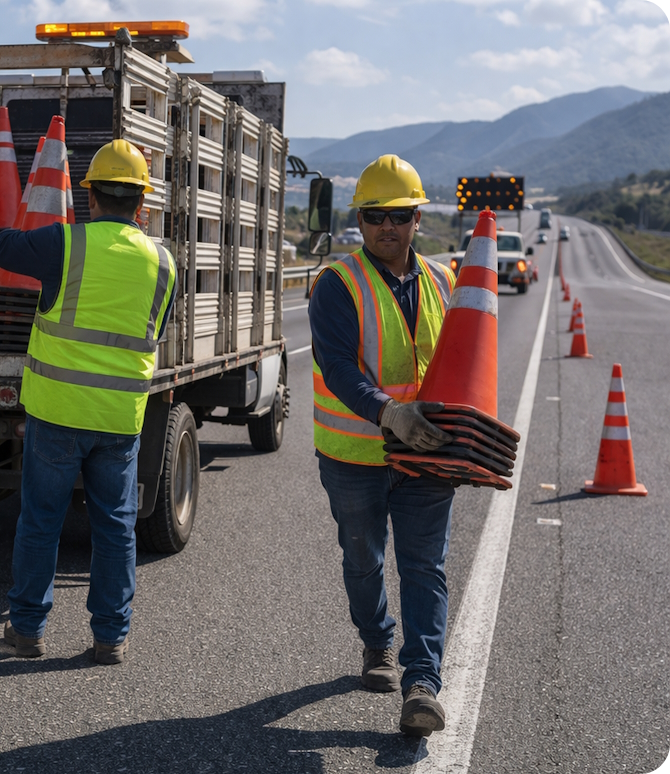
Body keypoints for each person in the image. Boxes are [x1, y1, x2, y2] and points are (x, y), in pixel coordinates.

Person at [0, 140, 175, 665]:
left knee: (41, 521)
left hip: (56, 412)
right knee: (115, 527)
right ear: (141, 203)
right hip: (119, 419)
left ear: (89, 197)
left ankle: (26, 631)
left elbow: (3, 249)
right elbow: (153, 330)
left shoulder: (63, 244)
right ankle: (110, 638)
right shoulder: (164, 263)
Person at [308, 154, 456, 737]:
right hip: (355, 456)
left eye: (398, 215)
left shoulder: (444, 281)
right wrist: (389, 412)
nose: (386, 227)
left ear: (417, 218)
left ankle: (422, 684)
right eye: (374, 216)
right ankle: (377, 643)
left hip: (425, 455)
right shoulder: (336, 285)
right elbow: (339, 368)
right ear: (360, 221)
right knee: (363, 560)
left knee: (425, 566)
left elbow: (459, 365)